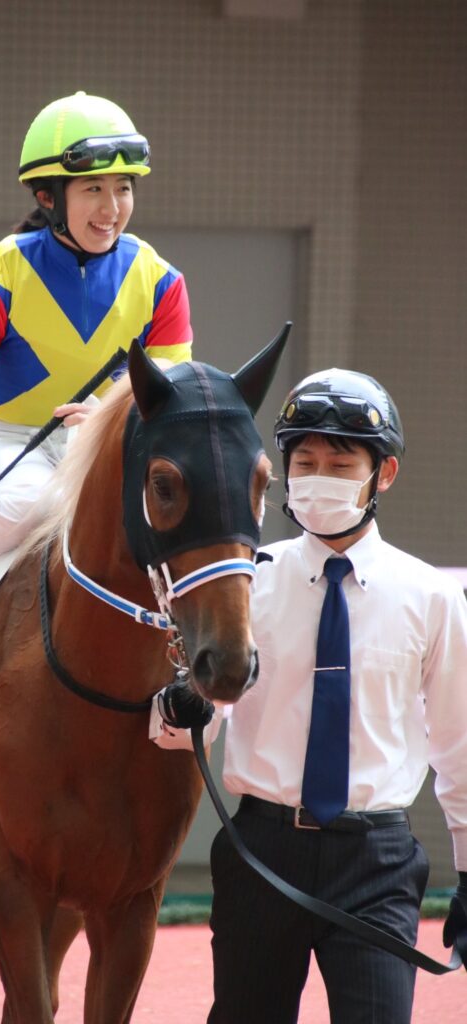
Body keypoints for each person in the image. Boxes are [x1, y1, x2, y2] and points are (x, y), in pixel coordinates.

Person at [203, 367, 467, 1022]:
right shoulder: (246, 582)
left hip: (375, 861)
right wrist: (175, 709)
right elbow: (190, 723)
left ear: (384, 475)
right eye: (305, 460)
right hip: (260, 850)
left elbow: (459, 750)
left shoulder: (432, 597)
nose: (318, 476)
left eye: (340, 462)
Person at [0, 91, 193, 642]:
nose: (112, 207)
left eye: (124, 188)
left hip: (107, 451)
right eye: (94, 189)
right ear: (49, 196)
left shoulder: (162, 281)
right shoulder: (6, 269)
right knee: (34, 499)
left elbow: (170, 414)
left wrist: (104, 422)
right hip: (11, 444)